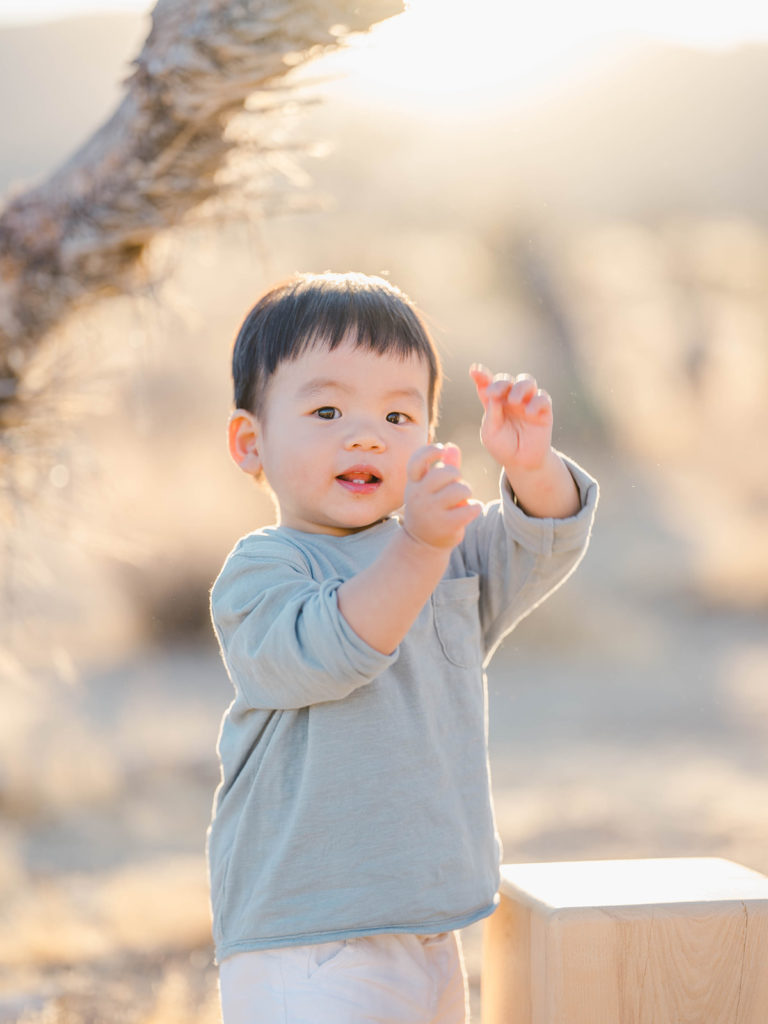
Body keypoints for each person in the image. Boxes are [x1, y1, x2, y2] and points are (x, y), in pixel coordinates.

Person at [207, 271, 598, 1023]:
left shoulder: (442, 547)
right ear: (250, 443)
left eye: (397, 413)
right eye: (326, 409)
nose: (365, 434)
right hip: (307, 937)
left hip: (429, 925)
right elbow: (336, 647)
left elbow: (542, 542)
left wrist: (529, 466)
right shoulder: (265, 570)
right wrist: (420, 543)